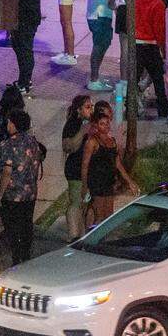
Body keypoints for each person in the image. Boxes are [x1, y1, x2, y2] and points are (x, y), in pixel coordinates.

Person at [0, 108, 44, 265]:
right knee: (26, 225)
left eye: (10, 122)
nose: (8, 125)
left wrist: (0, 194)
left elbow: (6, 172)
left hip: (12, 194)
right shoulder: (33, 142)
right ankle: (25, 256)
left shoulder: (8, 145)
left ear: (15, 124)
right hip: (30, 193)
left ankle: (17, 258)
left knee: (12, 227)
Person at [80, 106, 137, 223]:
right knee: (99, 216)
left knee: (109, 216)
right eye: (102, 124)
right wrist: (85, 187)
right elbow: (85, 165)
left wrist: (129, 181)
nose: (106, 126)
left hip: (108, 182)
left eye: (107, 123)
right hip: (97, 183)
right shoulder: (92, 142)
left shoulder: (112, 141)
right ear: (96, 125)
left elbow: (118, 164)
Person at [134, 0, 168, 118]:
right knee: (158, 79)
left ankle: (131, 108)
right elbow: (159, 29)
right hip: (150, 45)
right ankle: (163, 109)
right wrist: (163, 49)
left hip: (136, 44)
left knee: (133, 78)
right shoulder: (158, 4)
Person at [8, 0, 42, 93]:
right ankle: (23, 79)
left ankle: (25, 82)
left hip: (27, 17)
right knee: (18, 46)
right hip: (21, 16)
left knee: (25, 49)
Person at [61, 95, 93, 240]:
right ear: (79, 110)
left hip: (88, 170)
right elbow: (68, 147)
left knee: (85, 203)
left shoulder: (90, 123)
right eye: (87, 107)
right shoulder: (73, 124)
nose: (91, 109)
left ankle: (83, 234)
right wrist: (83, 131)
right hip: (75, 169)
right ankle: (73, 235)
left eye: (91, 106)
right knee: (76, 202)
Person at [85, 0, 116, 91]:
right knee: (99, 45)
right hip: (98, 14)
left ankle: (95, 76)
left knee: (104, 44)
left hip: (104, 13)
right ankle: (94, 79)